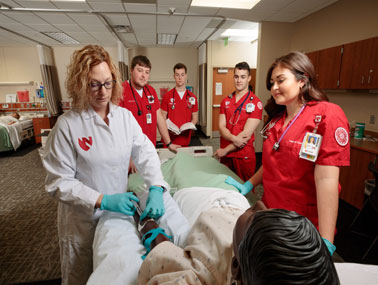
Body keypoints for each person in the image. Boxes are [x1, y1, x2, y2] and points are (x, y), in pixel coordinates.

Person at [42, 45, 190, 285]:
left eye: (108, 83)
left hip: (116, 217)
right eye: (94, 84)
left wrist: (155, 187)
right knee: (80, 276)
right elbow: (57, 182)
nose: (103, 92)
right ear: (80, 83)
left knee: (115, 271)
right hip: (82, 219)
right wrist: (102, 199)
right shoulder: (68, 125)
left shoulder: (124, 117)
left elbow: (146, 152)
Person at [225, 51, 350, 253]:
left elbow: (327, 181)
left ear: (302, 80)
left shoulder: (326, 115)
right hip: (269, 213)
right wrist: (248, 185)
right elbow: (272, 163)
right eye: (271, 82)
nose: (274, 88)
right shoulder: (275, 121)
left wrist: (326, 240)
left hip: (301, 224)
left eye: (280, 80)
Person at [138, 199, 340, 284]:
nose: (260, 203)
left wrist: (149, 226)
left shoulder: (204, 273)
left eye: (254, 215)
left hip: (201, 206)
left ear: (236, 267)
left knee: (164, 202)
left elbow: (162, 251)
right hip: (230, 204)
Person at [119, 55, 180, 173]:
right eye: (140, 70)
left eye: (147, 72)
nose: (143, 75)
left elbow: (159, 119)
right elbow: (118, 128)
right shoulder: (121, 91)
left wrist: (169, 143)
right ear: (131, 70)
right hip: (129, 154)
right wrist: (129, 157)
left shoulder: (150, 91)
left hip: (149, 149)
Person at [214, 62, 262, 181]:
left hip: (243, 156)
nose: (239, 80)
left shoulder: (256, 103)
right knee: (226, 190)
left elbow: (245, 135)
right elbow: (221, 126)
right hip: (226, 156)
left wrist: (225, 150)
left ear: (249, 78)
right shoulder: (226, 101)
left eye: (243, 77)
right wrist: (234, 139)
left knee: (245, 193)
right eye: (236, 76)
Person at [161, 63, 198, 147]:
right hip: (169, 140)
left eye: (182, 74)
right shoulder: (167, 96)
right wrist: (168, 129)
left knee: (183, 159)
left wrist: (190, 126)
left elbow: (195, 117)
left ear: (186, 76)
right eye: (177, 75)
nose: (180, 78)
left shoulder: (192, 97)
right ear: (174, 76)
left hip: (185, 139)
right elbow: (162, 117)